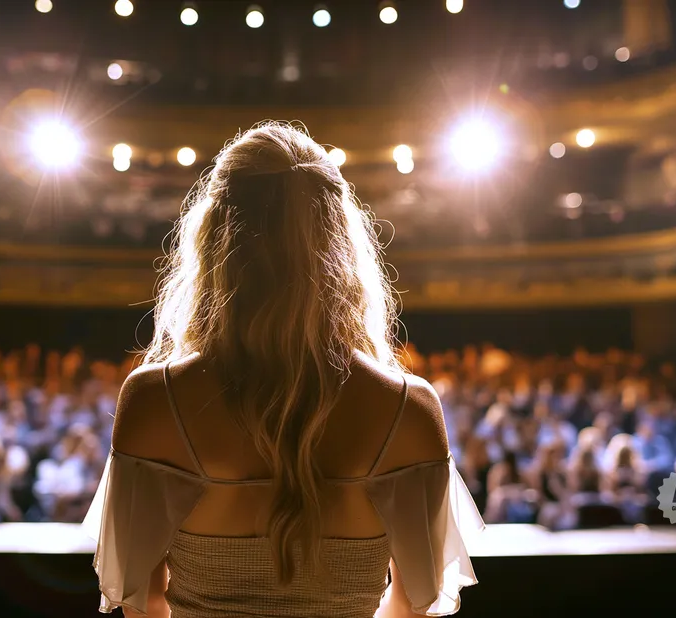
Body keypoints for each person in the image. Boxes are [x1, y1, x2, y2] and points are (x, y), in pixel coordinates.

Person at [83, 123, 483, 618]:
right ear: (340, 244)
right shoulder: (409, 409)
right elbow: (411, 607)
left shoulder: (153, 400)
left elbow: (144, 602)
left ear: (212, 243)